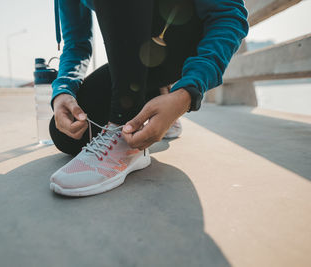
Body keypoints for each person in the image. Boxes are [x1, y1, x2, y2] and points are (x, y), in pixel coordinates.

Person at [49, 0, 249, 196]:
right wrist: (63, 91)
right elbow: (76, 43)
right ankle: (156, 95)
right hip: (133, 58)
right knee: (67, 135)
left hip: (182, 40)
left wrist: (188, 91)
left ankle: (124, 132)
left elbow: (229, 15)